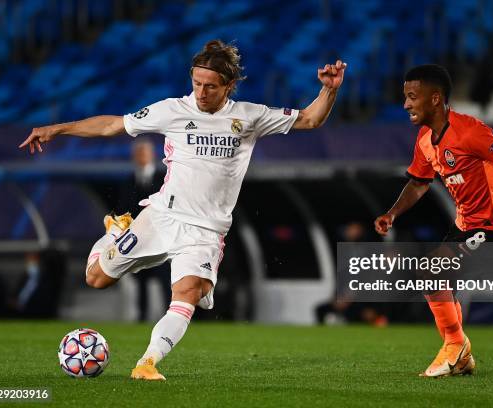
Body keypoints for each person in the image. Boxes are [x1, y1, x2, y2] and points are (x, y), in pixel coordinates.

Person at [20, 40, 346, 380]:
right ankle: (115, 231)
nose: (202, 93)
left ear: (229, 86)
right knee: (96, 278)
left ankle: (146, 363)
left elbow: (310, 119)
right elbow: (112, 125)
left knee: (187, 293)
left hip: (205, 231)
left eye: (211, 86)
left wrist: (328, 90)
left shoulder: (249, 116)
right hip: (162, 217)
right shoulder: (172, 110)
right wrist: (55, 128)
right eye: (197, 84)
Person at [374, 64, 493, 378]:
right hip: (465, 225)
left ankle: (455, 346)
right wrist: (392, 213)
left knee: (431, 273)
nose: (406, 104)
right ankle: (459, 354)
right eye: (405, 97)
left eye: (412, 97)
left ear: (435, 99)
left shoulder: (469, 130)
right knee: (437, 280)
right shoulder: (425, 138)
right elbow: (420, 182)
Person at [117, 138, 171, 322]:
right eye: (138, 153)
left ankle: (170, 318)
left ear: (152, 155)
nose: (141, 156)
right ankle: (142, 316)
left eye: (144, 152)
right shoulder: (127, 182)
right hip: (138, 242)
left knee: (166, 280)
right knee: (141, 280)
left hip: (162, 241)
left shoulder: (165, 179)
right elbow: (123, 211)